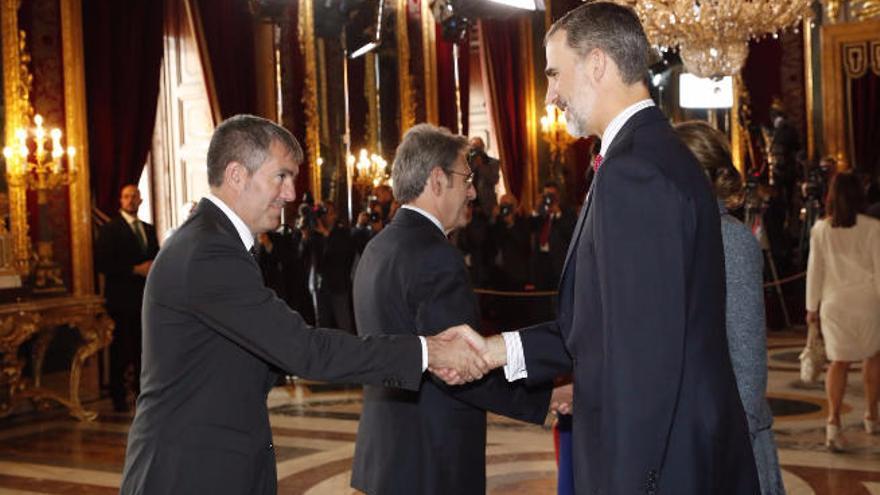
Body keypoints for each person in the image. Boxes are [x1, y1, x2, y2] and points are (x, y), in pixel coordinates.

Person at [446, 4, 759, 492]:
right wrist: (496, 350)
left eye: (554, 73)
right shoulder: (652, 154)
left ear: (596, 64)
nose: (549, 94)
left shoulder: (633, 170)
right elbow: (601, 325)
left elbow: (644, 357)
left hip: (659, 465)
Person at [119, 115, 488, 494]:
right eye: (281, 176)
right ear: (236, 175)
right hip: (188, 474)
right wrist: (429, 351)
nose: (291, 194)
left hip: (214, 466)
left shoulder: (214, 243)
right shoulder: (208, 253)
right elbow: (305, 350)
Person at [350, 124, 551, 495]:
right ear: (437, 179)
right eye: (466, 178)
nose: (473, 191)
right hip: (433, 463)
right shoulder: (435, 256)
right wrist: (544, 399)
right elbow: (459, 367)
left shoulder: (377, 248)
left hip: (387, 457)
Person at [675, 121, 785, 494]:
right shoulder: (673, 236)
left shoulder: (731, 242)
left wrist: (729, 452)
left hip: (728, 446)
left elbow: (748, 364)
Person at [806, 171, 880, 451]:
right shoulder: (872, 228)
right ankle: (872, 415)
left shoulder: (820, 229)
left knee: (838, 363)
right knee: (873, 357)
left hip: (834, 304)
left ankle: (833, 422)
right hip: (867, 302)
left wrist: (811, 308)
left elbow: (815, 272)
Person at [94, 184, 160, 412]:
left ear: (140, 200)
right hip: (121, 300)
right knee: (121, 350)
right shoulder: (110, 229)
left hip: (146, 301)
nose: (131, 200)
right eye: (126, 196)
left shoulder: (149, 229)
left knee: (145, 350)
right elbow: (103, 263)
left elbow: (156, 259)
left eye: (134, 196)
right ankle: (119, 397)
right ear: (120, 201)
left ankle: (145, 394)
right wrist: (134, 269)